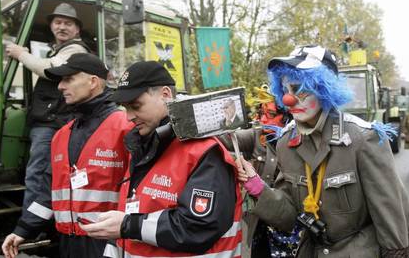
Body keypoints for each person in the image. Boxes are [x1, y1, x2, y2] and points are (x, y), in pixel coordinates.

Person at [237, 45, 409, 257]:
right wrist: (257, 187)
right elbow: (289, 216)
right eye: (286, 90)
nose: (289, 99)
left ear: (323, 88)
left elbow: (390, 218)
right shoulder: (285, 143)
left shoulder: (363, 138)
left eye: (299, 89)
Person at [79, 61, 242, 257]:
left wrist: (127, 225)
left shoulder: (205, 152)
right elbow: (129, 214)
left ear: (165, 95)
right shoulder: (142, 145)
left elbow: (198, 227)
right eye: (125, 107)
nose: (129, 116)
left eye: (136, 106)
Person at [2, 53, 133, 258]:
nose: (60, 86)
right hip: (68, 244)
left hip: (109, 245)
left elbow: (139, 193)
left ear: (93, 82)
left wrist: (116, 242)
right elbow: (48, 193)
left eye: (68, 79)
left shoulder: (125, 127)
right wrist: (23, 230)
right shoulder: (61, 135)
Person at [5, 2, 90, 226]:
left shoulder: (74, 49)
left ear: (77, 29)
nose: (62, 27)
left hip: (54, 121)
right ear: (52, 25)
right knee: (39, 172)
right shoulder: (58, 49)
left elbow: (50, 70)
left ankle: (30, 225)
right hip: (49, 119)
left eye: (68, 23)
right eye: (58, 22)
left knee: (39, 173)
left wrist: (21, 54)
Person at [220, 87, 298, 258]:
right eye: (261, 113)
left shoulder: (301, 142)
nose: (262, 119)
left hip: (294, 232)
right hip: (261, 227)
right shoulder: (258, 136)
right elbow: (224, 138)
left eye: (270, 114)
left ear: (288, 115)